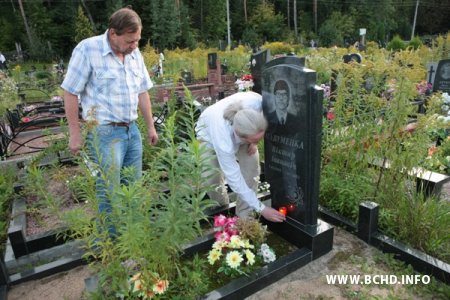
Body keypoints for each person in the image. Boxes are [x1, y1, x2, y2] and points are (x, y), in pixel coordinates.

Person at [61, 7, 158, 236]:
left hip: (131, 131)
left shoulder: (135, 54)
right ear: (113, 33)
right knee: (109, 191)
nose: (135, 45)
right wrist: (74, 133)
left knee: (132, 189)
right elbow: (70, 92)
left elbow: (142, 91)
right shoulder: (88, 49)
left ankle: (132, 236)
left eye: (137, 40)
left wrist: (151, 125)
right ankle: (111, 242)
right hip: (104, 134)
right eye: (130, 40)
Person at [196, 91, 286, 223]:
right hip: (207, 135)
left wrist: (254, 142)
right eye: (253, 140)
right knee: (211, 177)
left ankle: (245, 215)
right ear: (241, 136)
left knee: (252, 168)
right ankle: (221, 208)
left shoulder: (257, 102)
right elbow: (234, 178)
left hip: (248, 132)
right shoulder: (223, 140)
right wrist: (262, 209)